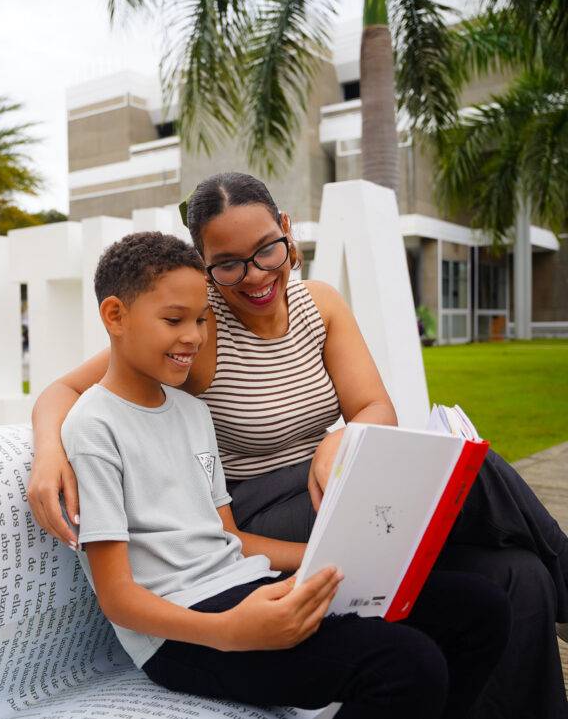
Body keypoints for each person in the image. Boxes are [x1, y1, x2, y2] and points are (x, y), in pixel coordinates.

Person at [30, 172, 568, 718]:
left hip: (321, 496)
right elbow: (71, 390)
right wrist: (50, 451)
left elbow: (373, 407)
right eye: (230, 263)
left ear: (287, 232)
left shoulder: (317, 306)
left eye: (267, 250)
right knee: (461, 513)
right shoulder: (199, 330)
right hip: (265, 512)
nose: (256, 274)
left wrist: (343, 437)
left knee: (514, 577)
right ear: (205, 265)